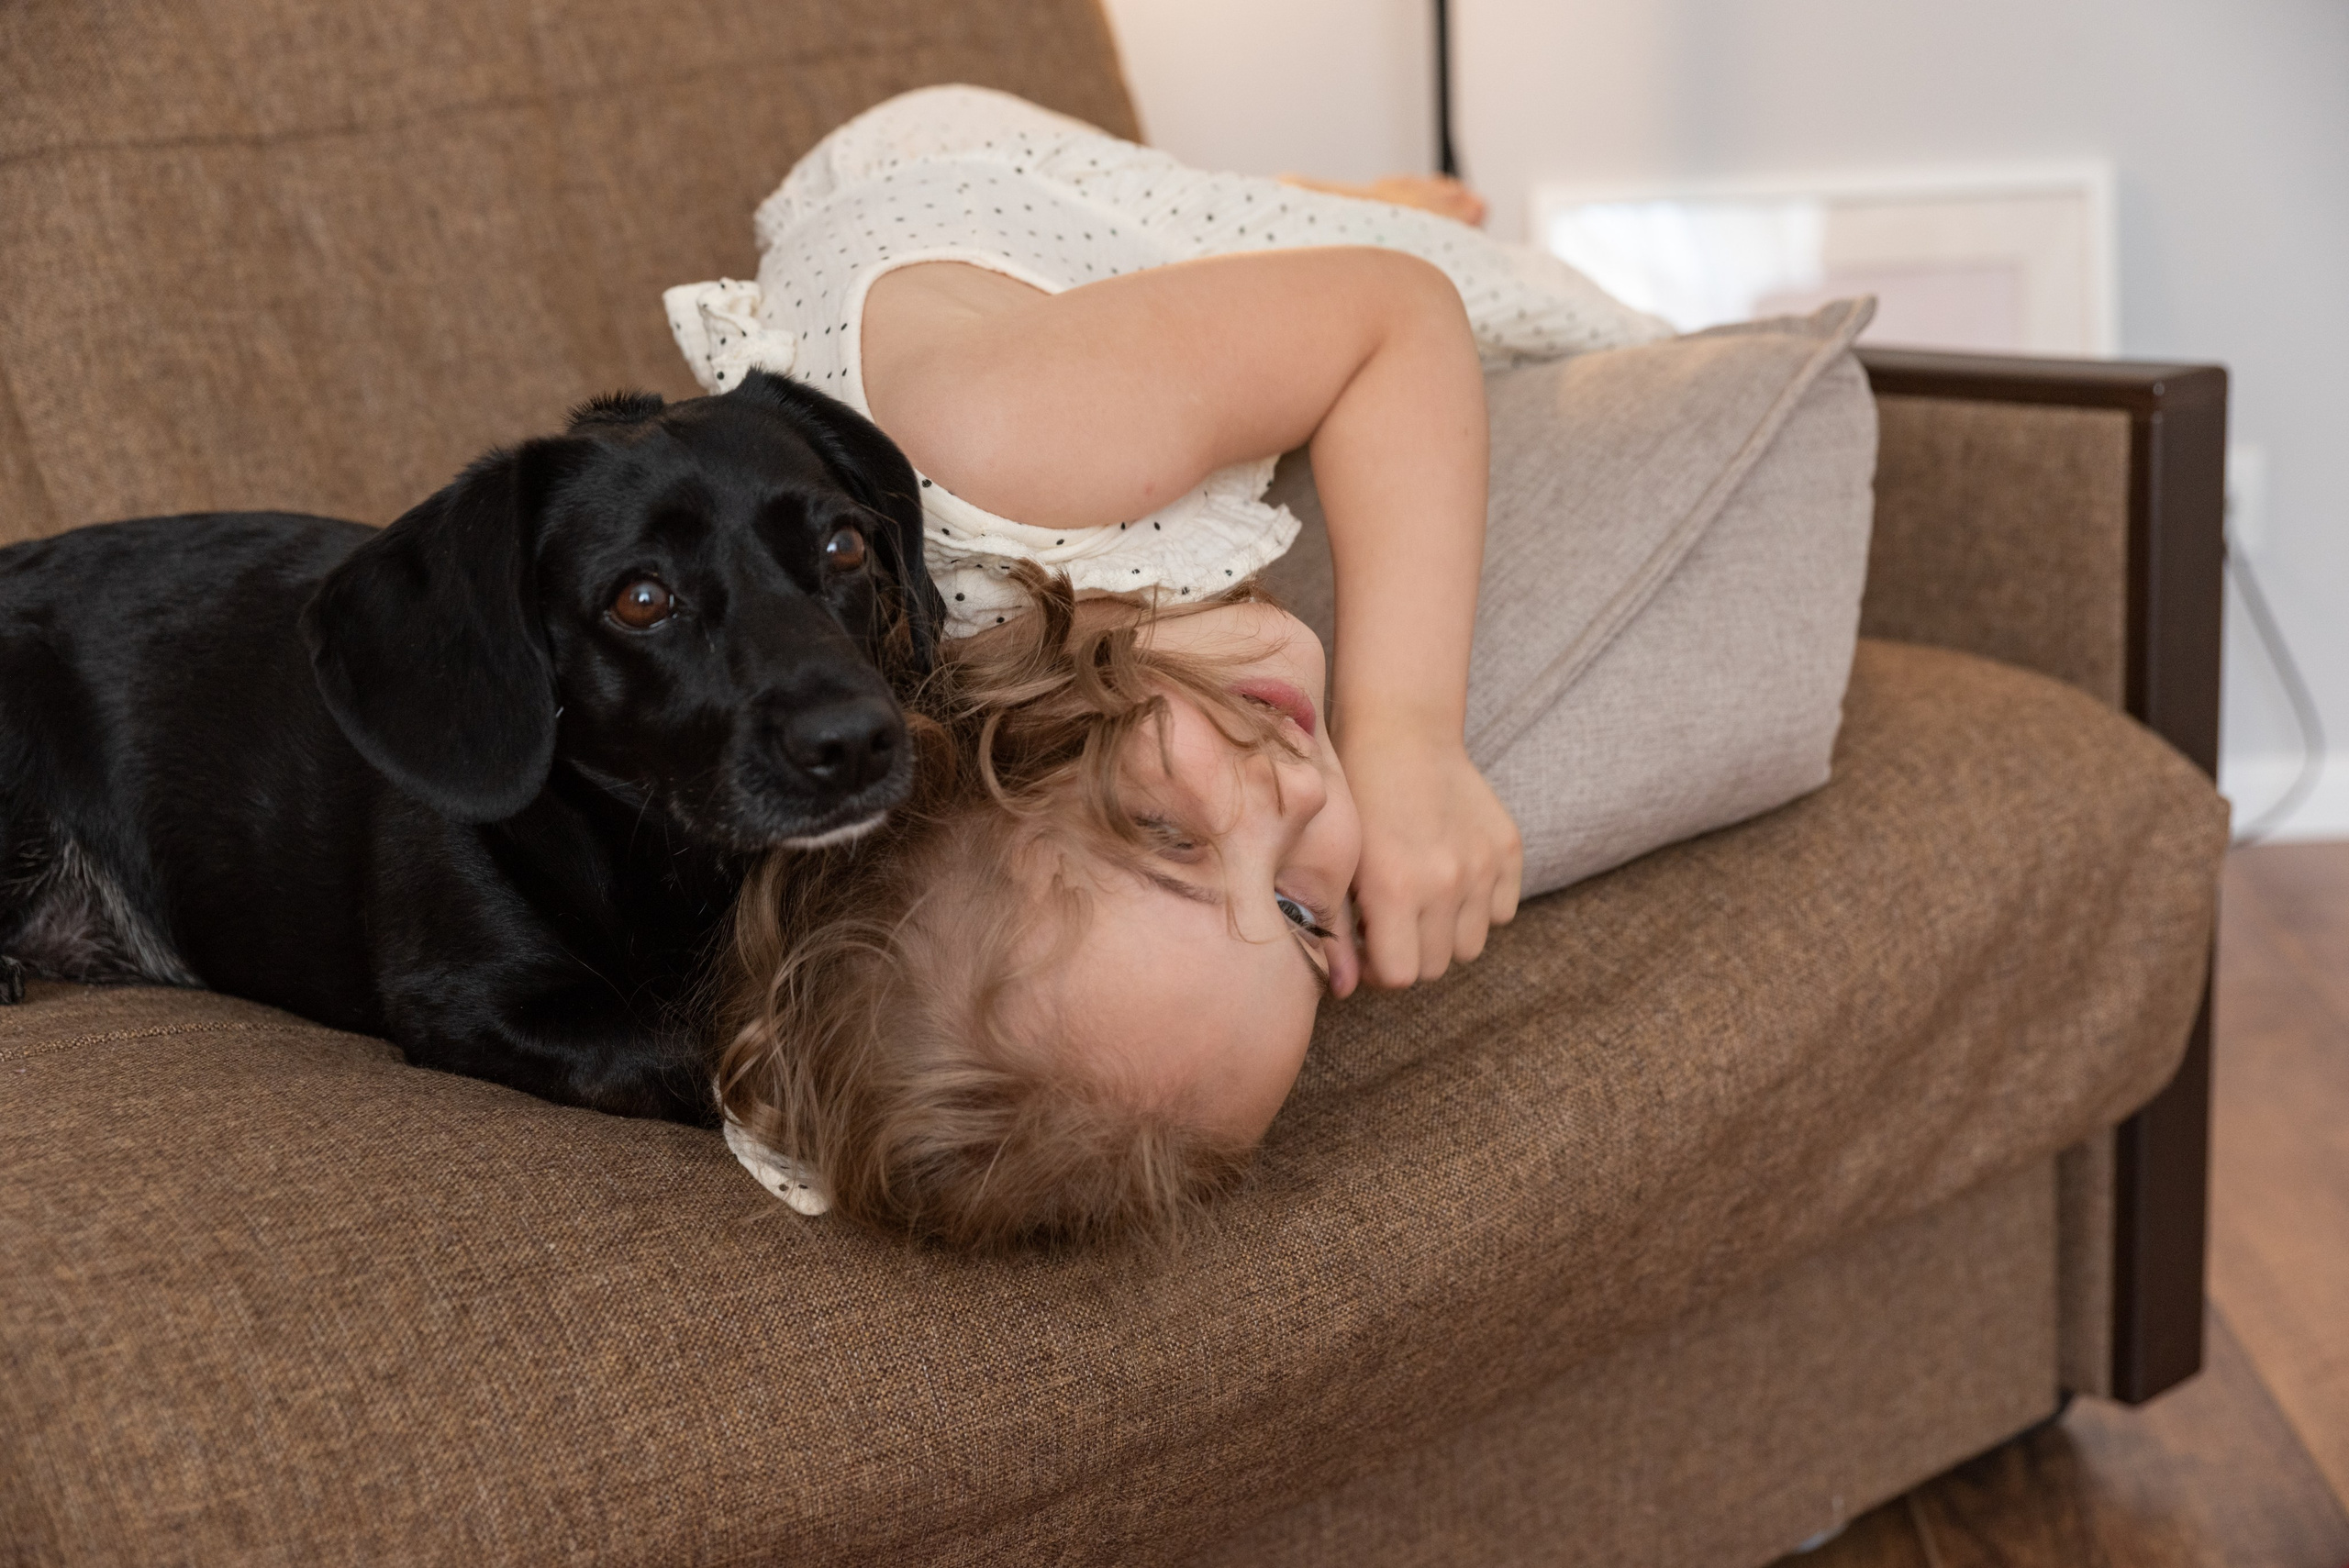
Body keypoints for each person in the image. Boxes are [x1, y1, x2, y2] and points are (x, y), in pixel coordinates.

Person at [665, 86, 1867, 1247]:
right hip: (1043, 337)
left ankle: (1293, 205)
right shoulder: (1104, 694)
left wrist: (1408, 732)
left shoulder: (1013, 442)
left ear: (979, 760)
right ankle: (1292, 216)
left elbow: (1399, 313)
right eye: (1296, 906)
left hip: (951, 188)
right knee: (1246, 320)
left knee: (1497, 292)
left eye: (1171, 834)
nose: (1293, 797)